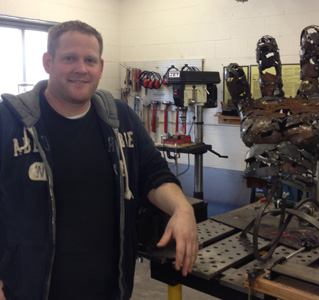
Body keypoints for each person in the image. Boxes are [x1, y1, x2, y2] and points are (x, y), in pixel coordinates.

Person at [0, 20, 198, 300]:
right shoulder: (8, 122)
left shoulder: (120, 118)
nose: (81, 68)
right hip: (30, 290)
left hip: (110, 289)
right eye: (70, 58)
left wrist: (182, 209)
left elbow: (153, 172)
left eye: (90, 60)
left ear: (101, 67)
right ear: (48, 62)